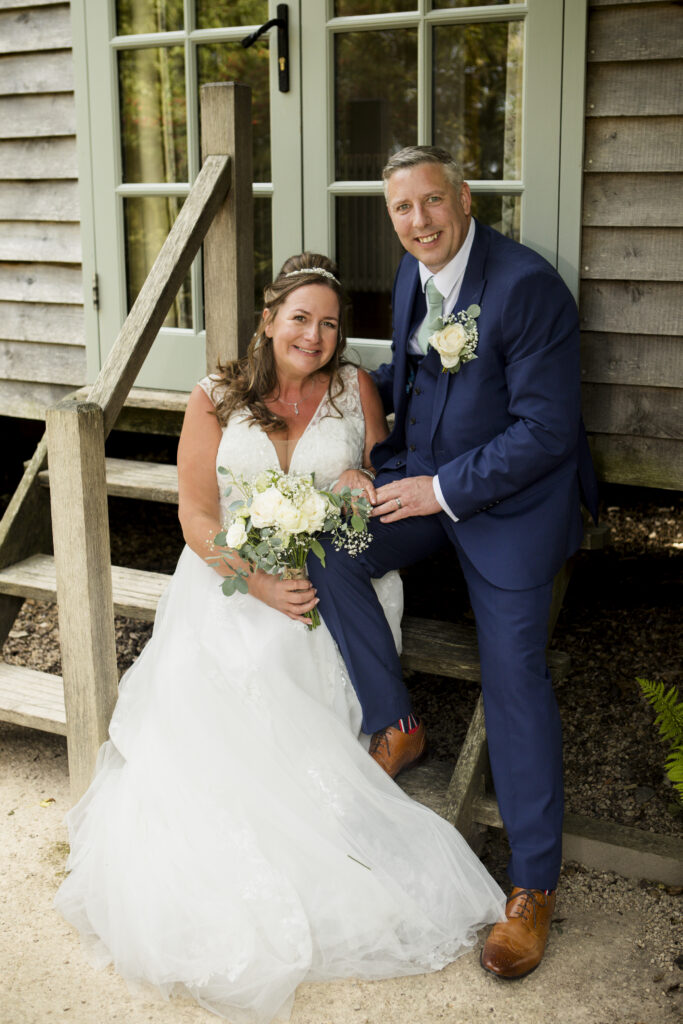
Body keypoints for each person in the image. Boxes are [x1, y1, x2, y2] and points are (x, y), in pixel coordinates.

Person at [54, 253, 505, 1024]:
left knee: (303, 642)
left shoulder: (353, 388)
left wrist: (360, 485)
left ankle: (379, 736)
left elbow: (374, 473)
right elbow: (196, 515)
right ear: (268, 320)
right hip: (232, 575)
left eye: (330, 323)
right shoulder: (213, 397)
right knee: (249, 651)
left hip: (340, 576)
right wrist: (256, 580)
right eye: (300, 317)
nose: (316, 334)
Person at [307, 148, 599, 981]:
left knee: (513, 675)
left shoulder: (526, 287)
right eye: (402, 210)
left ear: (463, 200)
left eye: (432, 202)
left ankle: (532, 886)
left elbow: (547, 432)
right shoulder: (412, 276)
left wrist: (442, 490)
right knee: (329, 543)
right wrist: (342, 406)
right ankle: (396, 722)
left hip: (509, 507)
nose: (419, 222)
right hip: (420, 481)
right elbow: (416, 374)